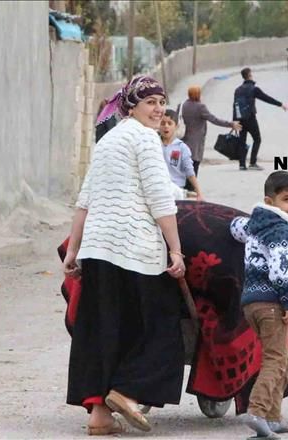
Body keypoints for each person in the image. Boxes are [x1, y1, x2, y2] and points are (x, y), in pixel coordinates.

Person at [63, 76, 186, 436]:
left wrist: (74, 250)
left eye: (162, 102)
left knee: (104, 331)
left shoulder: (108, 139)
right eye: (150, 103)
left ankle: (99, 414)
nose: (158, 110)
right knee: (162, 326)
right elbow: (160, 199)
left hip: (98, 251)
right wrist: (175, 249)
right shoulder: (144, 138)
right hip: (135, 251)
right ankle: (128, 392)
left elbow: (85, 200)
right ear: (131, 107)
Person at [229, 171, 288, 437]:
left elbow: (235, 228)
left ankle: (274, 417)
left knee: (281, 358)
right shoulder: (281, 230)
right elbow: (281, 273)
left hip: (251, 303)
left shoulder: (255, 225)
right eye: (287, 199)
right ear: (270, 201)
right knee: (275, 360)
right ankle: (258, 411)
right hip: (272, 303)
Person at [233, 68, 288, 171]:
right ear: (249, 76)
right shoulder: (254, 89)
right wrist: (280, 104)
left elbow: (235, 105)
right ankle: (252, 163)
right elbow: (266, 98)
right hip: (250, 118)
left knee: (242, 141)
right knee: (257, 139)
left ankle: (242, 164)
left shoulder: (237, 90)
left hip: (240, 119)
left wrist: (235, 120)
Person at [181, 85, 241, 177]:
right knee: (194, 164)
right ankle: (192, 184)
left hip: (184, 138)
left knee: (185, 164)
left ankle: (186, 184)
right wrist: (230, 124)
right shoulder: (200, 107)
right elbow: (214, 119)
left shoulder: (183, 105)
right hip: (196, 141)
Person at [160, 109, 205, 201]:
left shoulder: (181, 148)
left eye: (169, 123)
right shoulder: (154, 144)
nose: (166, 126)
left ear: (176, 126)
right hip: (158, 190)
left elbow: (190, 172)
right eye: (163, 123)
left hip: (176, 191)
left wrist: (199, 193)